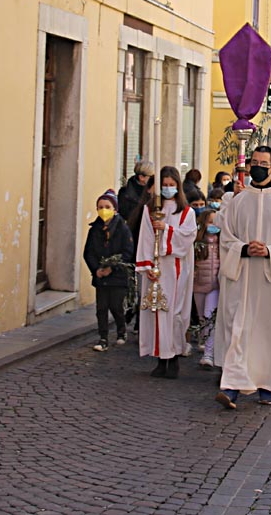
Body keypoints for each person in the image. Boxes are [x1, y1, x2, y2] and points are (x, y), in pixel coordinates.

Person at [214, 146, 271, 409]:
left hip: (268, 280)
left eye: (264, 163)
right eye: (255, 162)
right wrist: (243, 248)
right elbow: (225, 237)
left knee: (268, 332)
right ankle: (231, 388)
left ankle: (267, 386)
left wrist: (269, 251)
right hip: (241, 278)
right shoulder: (238, 201)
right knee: (238, 331)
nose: (259, 167)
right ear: (249, 165)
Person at [135, 167, 197, 378]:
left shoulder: (187, 212)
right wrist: (147, 265)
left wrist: (167, 229)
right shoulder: (150, 209)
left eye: (172, 185)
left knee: (173, 312)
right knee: (156, 311)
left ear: (178, 186)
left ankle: (174, 357)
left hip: (175, 267)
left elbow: (187, 237)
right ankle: (160, 359)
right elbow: (145, 236)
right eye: (164, 185)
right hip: (156, 268)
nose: (168, 189)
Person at [83, 190, 135, 352]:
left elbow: (128, 252)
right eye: (100, 207)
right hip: (100, 276)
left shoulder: (123, 228)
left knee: (116, 306)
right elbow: (88, 252)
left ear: (115, 209)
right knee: (101, 308)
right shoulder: (94, 230)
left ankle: (121, 330)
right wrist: (96, 269)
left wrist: (112, 267)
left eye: (107, 207)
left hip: (118, 275)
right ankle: (103, 337)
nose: (103, 210)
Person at [192, 208, 221, 369]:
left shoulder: (222, 243)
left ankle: (209, 354)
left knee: (210, 317)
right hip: (199, 285)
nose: (213, 226)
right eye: (210, 222)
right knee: (203, 318)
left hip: (215, 286)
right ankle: (204, 341)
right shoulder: (197, 242)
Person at [118, 160, 155, 235]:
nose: (155, 180)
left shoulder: (153, 191)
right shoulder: (126, 194)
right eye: (152, 177)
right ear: (142, 177)